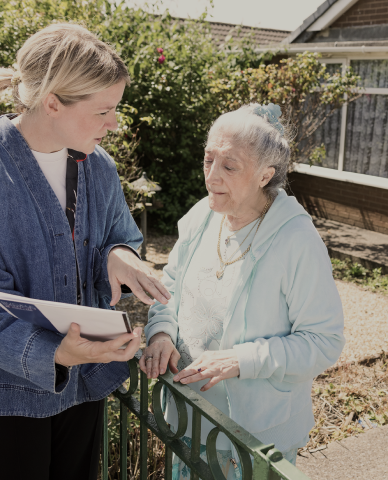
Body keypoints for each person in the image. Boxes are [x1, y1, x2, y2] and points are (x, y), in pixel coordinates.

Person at [0, 23, 170, 480]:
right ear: (53, 102)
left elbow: (121, 234)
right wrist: (55, 352)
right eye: (104, 110)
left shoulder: (98, 166)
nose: (114, 123)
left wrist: (118, 255)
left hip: (78, 387)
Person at [140, 103, 345, 479]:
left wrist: (242, 360)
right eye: (208, 159)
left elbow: (324, 341)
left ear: (266, 175)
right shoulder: (202, 215)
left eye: (229, 165)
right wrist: (161, 333)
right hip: (189, 418)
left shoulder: (297, 239)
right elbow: (169, 287)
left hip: (251, 439)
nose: (211, 176)